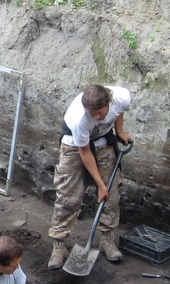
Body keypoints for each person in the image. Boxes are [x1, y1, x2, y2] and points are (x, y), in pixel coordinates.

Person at [48, 84, 132, 269]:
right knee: (68, 196)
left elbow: (119, 111)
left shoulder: (122, 97)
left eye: (100, 112)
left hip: (103, 142)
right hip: (74, 145)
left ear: (109, 102)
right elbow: (85, 152)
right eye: (92, 113)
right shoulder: (79, 118)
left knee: (111, 196)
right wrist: (100, 185)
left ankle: (106, 240)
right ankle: (59, 245)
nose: (97, 117)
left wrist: (120, 132)